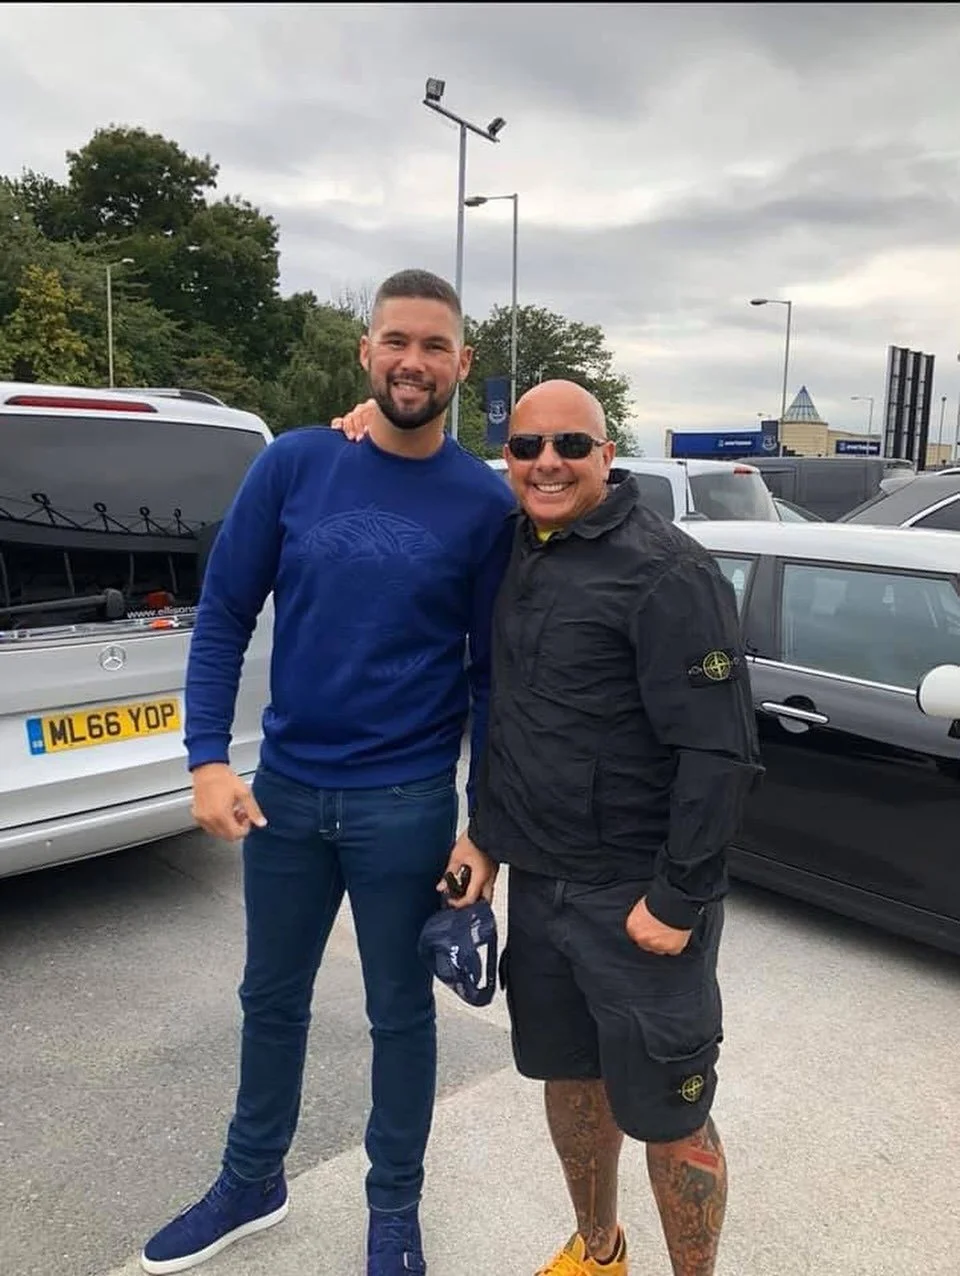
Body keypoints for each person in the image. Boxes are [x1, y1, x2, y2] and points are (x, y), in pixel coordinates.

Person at [139, 269, 513, 1276]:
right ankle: (250, 1180)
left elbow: (491, 679)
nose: (414, 361)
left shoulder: (484, 505)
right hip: (287, 796)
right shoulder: (298, 466)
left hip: (409, 805)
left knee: (401, 1013)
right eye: (397, 340)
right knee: (271, 996)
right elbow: (222, 614)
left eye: (436, 345)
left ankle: (393, 1209)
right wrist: (207, 756)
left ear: (462, 364)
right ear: (366, 352)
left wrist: (483, 826)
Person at [448, 379, 762, 1276]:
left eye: (571, 446)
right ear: (506, 456)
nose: (547, 462)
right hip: (541, 891)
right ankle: (598, 1252)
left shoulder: (669, 571)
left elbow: (720, 754)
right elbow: (512, 717)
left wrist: (680, 897)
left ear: (606, 452)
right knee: (569, 1081)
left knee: (671, 1113)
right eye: (526, 445)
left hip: (638, 904)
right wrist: (486, 837)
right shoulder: (511, 551)